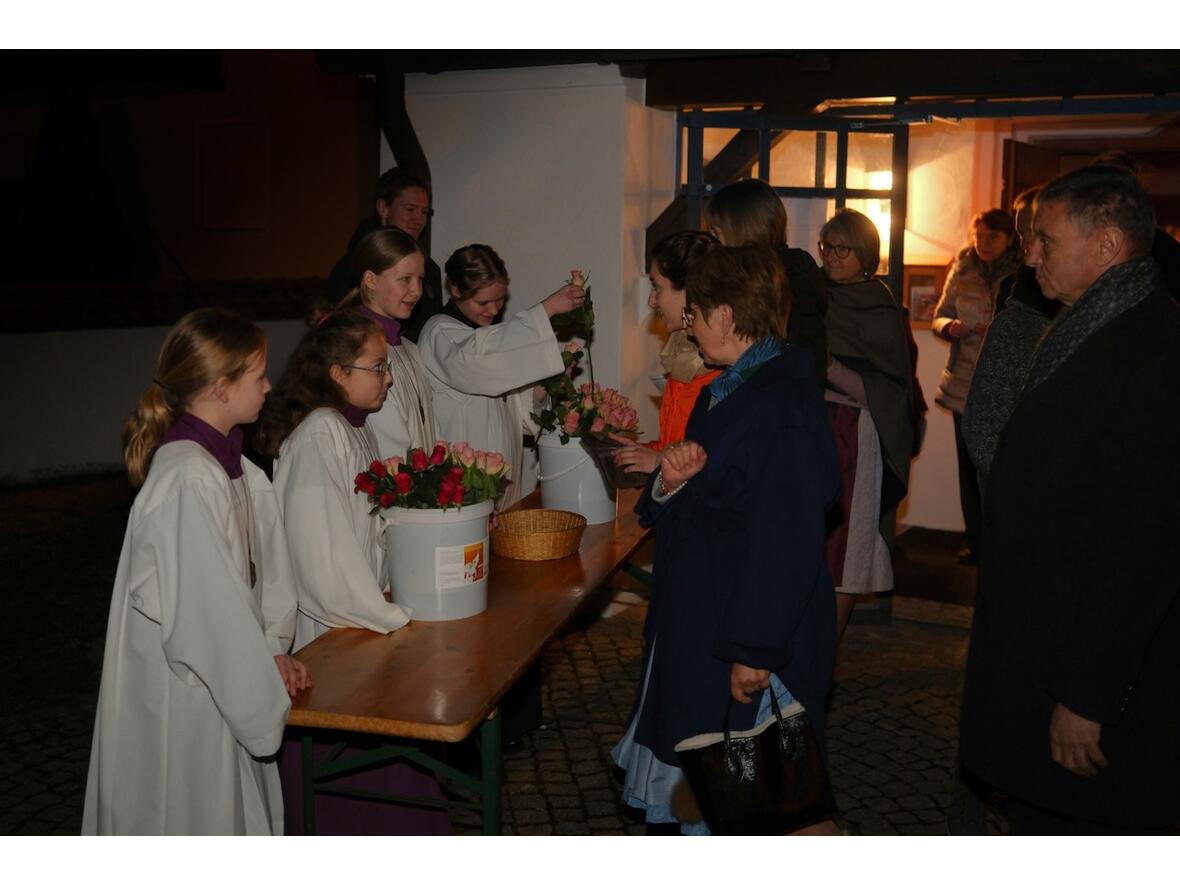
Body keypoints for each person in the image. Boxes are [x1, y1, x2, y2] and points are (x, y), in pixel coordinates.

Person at [960, 164, 1180, 835]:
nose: (1029, 255)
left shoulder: (1150, 350)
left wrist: (1087, 696)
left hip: (1093, 679)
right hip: (1049, 644)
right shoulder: (1094, 325)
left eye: (1045, 241)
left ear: (1108, 247)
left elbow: (1145, 543)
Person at [612, 244, 841, 835]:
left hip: (739, 625)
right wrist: (671, 479)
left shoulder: (778, 400)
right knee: (725, 791)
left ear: (725, 316)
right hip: (708, 615)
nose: (687, 326)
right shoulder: (737, 383)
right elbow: (713, 494)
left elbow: (786, 538)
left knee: (763, 800)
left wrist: (754, 649)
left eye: (694, 314)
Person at [83, 309, 309, 835]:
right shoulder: (187, 480)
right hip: (194, 693)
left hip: (227, 680)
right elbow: (207, 619)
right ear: (222, 388)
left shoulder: (235, 469)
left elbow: (265, 573)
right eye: (258, 377)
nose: (270, 386)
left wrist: (274, 644)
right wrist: (259, 697)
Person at [253, 308, 451, 835]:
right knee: (355, 785)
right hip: (337, 632)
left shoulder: (350, 427)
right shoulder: (320, 435)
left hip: (362, 618)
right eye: (377, 368)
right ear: (338, 373)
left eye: (387, 368)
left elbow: (370, 528)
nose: (388, 378)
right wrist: (387, 615)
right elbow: (322, 556)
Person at [417, 244, 586, 508]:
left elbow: (511, 407)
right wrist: (546, 309)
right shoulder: (439, 332)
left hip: (501, 475)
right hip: (461, 480)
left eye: (500, 300)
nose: (493, 310)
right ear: (455, 289)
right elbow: (476, 364)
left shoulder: (492, 341)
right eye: (483, 302)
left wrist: (543, 386)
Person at [818, 209, 914, 639]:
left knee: (845, 549)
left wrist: (830, 368)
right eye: (826, 247)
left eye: (843, 249)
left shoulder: (880, 308)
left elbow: (892, 387)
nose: (832, 257)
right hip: (815, 430)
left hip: (855, 434)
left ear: (866, 254)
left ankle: (826, 652)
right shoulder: (814, 297)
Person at [931, 209, 1022, 565]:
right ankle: (974, 539)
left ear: (1010, 239)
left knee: (1000, 467)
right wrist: (950, 326)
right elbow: (939, 315)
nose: (983, 244)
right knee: (968, 468)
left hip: (1006, 384)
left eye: (992, 237)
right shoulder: (962, 268)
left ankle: (1003, 539)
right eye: (979, 236)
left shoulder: (1023, 272)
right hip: (964, 384)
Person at [961, 188, 1061, 486]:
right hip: (1023, 488)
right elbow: (983, 430)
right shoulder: (1018, 304)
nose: (1030, 253)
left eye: (1037, 239)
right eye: (1026, 239)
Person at [610, 231, 721, 476]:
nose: (651, 301)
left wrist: (660, 460)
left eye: (657, 287)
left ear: (689, 291)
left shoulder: (723, 367)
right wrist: (640, 453)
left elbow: (720, 466)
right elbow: (676, 443)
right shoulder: (683, 352)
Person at [703, 178, 828, 385]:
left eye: (717, 233)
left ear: (743, 231)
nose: (714, 243)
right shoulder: (796, 270)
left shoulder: (771, 283)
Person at [338, 227, 439, 460]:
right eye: (405, 279)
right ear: (371, 280)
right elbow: (386, 444)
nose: (416, 291)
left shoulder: (409, 349)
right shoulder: (355, 351)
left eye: (420, 280)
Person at [326, 166, 443, 341]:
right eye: (410, 209)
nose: (419, 219)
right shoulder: (349, 269)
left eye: (424, 212)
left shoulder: (429, 268)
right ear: (383, 208)